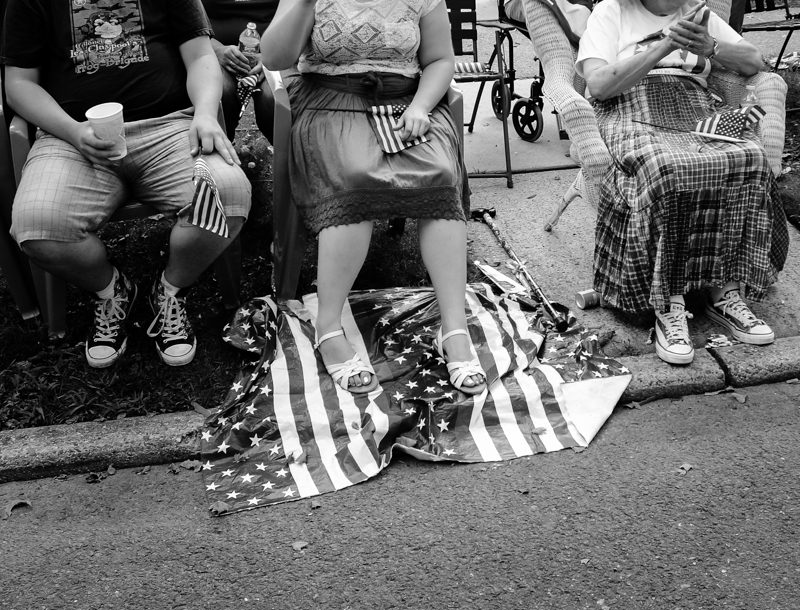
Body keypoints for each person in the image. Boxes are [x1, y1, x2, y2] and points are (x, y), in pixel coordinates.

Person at [1, 0, 252, 368]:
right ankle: (112, 290)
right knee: (37, 225)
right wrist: (73, 131)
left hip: (170, 126)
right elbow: (19, 83)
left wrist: (204, 113)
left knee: (228, 194)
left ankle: (169, 289)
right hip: (71, 138)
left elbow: (200, 55)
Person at [261, 0, 486, 396]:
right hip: (328, 101)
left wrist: (421, 106)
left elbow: (440, 60)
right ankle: (328, 326)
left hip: (406, 103)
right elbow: (275, 58)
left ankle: (454, 329)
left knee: (441, 176)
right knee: (354, 178)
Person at [576, 0, 788, 365]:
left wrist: (711, 46)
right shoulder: (612, 11)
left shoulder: (696, 12)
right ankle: (667, 304)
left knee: (748, 158)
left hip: (692, 105)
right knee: (664, 167)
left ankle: (724, 292)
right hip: (629, 109)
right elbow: (598, 85)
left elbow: (755, 61)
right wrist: (665, 45)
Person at [200, 0, 280, 141]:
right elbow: (183, 20)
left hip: (275, 51)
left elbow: (301, 17)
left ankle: (287, 152)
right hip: (210, 49)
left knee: (274, 98)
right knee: (219, 91)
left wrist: (274, 55)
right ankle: (218, 149)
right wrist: (216, 50)